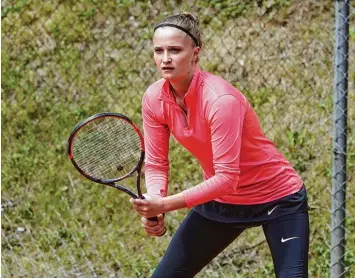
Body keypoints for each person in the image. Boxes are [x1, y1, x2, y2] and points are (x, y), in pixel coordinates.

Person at [130, 12, 309, 278]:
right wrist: (155, 197)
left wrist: (165, 205)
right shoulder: (154, 98)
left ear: (195, 53)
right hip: (220, 202)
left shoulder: (220, 100)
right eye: (159, 50)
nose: (165, 58)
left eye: (175, 50)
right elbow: (157, 163)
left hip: (278, 199)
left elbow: (227, 178)